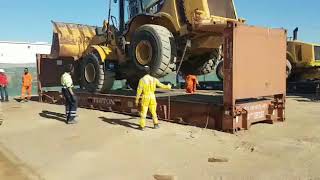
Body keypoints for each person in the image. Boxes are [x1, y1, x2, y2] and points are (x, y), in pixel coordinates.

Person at [135, 66, 171, 130]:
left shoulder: (142, 80)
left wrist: (137, 100)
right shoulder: (154, 79)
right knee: (153, 111)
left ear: (143, 72)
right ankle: (156, 124)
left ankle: (142, 126)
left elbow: (139, 90)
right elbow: (161, 85)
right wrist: (168, 86)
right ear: (149, 71)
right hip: (152, 97)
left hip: (145, 97)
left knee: (144, 112)